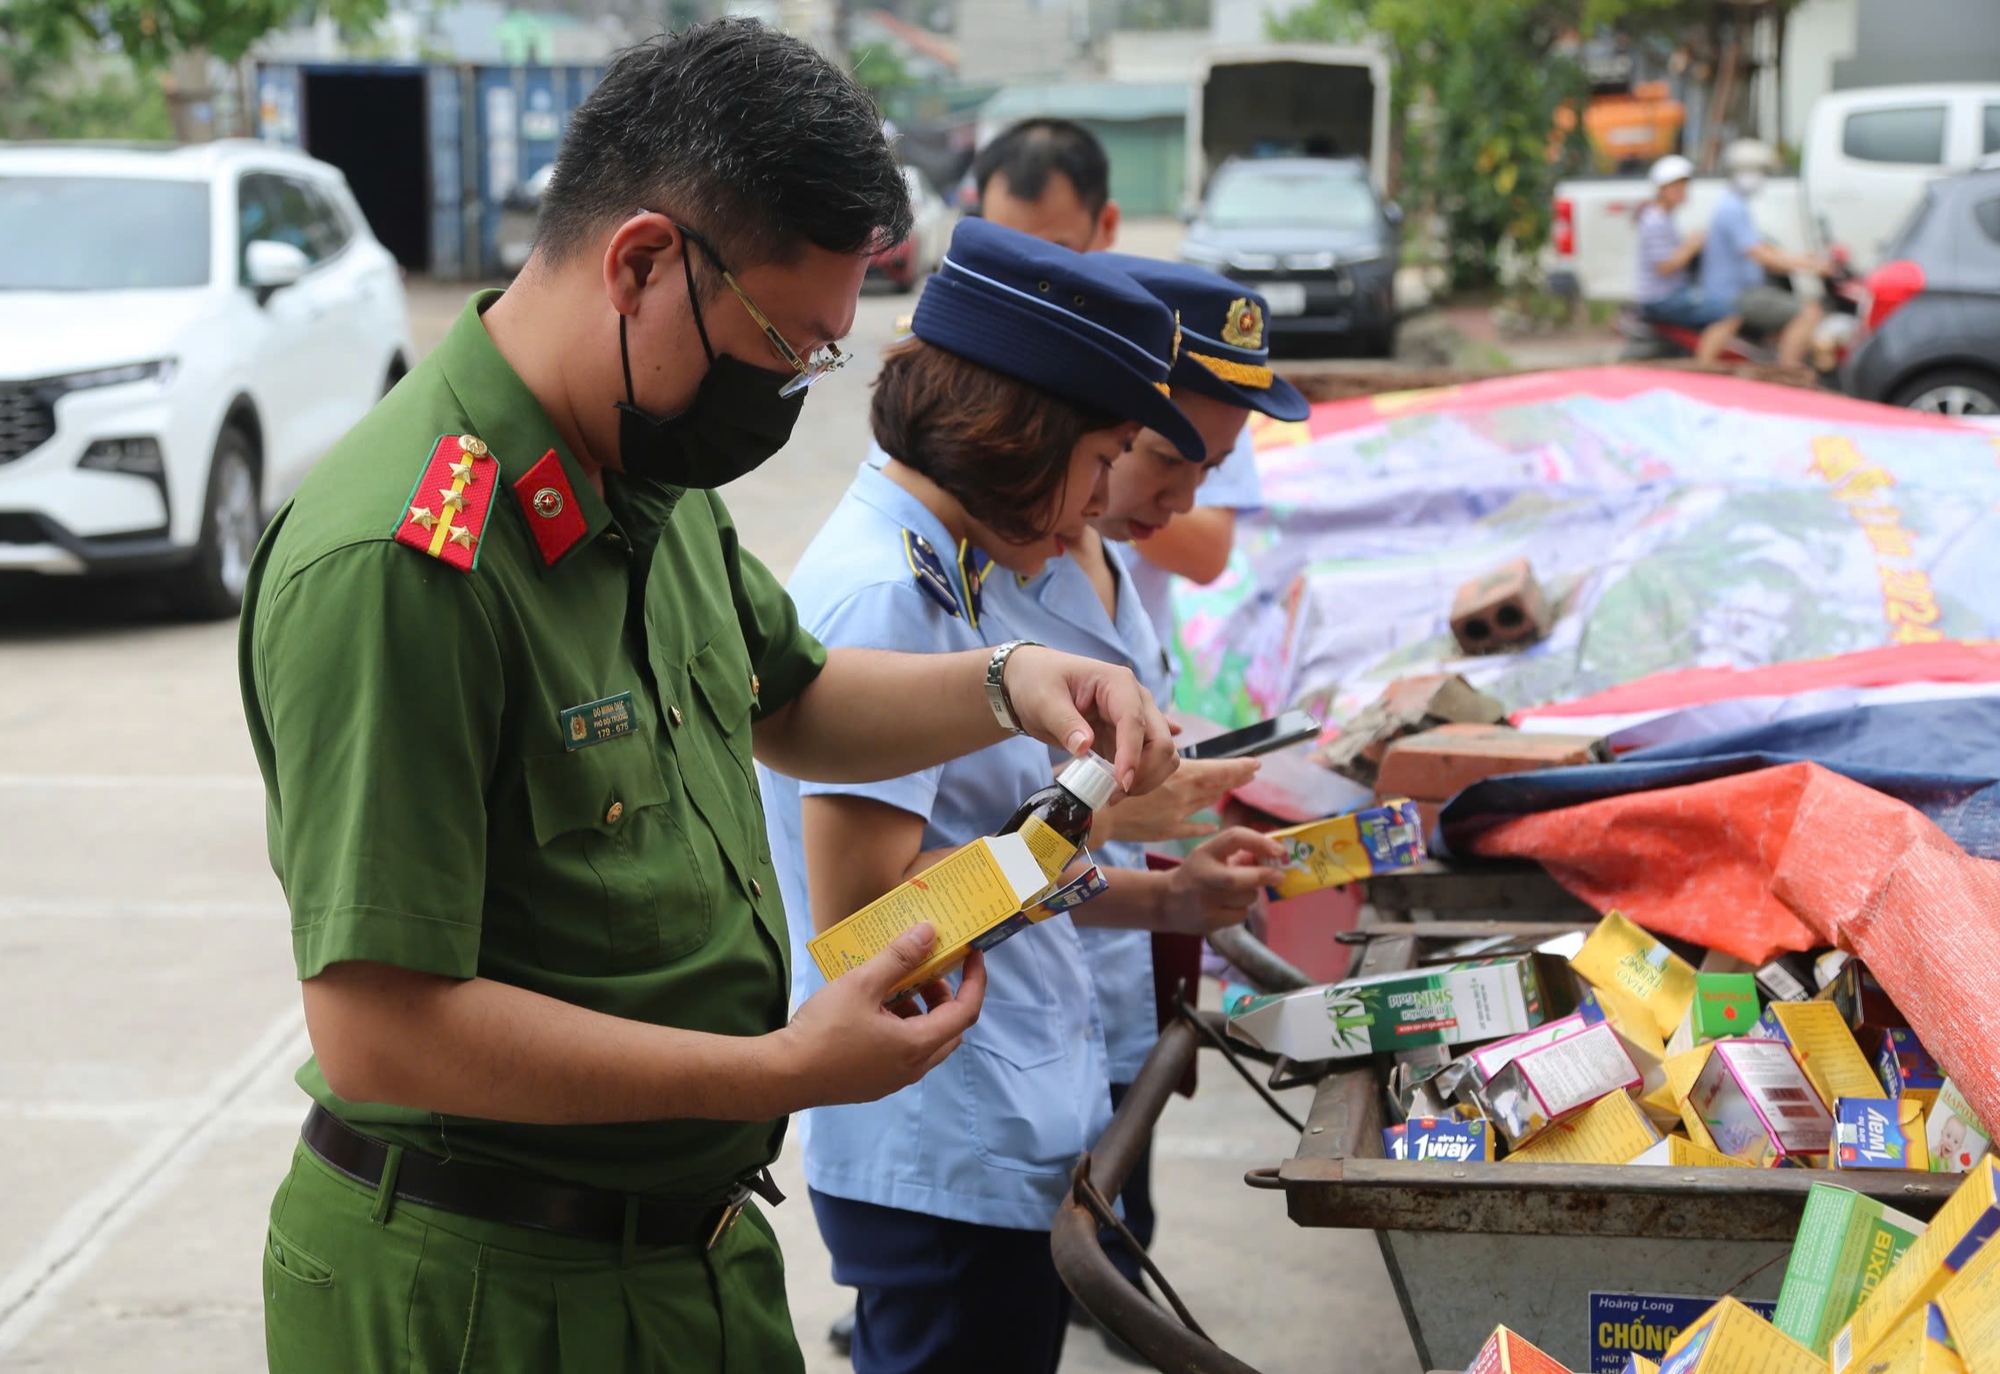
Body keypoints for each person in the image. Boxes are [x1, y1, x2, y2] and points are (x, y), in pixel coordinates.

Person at [238, 25, 1181, 1374]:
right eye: (784, 343)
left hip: (683, 1253)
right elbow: (380, 1028)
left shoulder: (642, 472)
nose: (789, 391)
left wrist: (1012, 680)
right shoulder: (404, 559)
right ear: (640, 264)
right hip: (481, 1289)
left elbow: (792, 699)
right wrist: (780, 1070)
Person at [760, 218, 1291, 1374]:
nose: (1093, 508)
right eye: (1102, 461)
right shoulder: (888, 593)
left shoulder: (951, 575)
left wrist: (1155, 897)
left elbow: (971, 852)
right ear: (1021, 435)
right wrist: (1087, 821)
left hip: (996, 1117)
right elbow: (875, 922)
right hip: (944, 1137)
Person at [977, 259, 1310, 1348]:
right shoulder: (982, 581)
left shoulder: (1098, 557)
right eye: (1164, 459)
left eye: (1210, 468)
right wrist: (1129, 824)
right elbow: (930, 871)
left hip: (1099, 978)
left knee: (1106, 1248)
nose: (1185, 504)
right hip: (1003, 1033)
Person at [974, 116, 1264, 653]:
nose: (1027, 282)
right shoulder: (962, 376)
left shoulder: (1169, 355)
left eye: (1054, 253)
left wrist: (1085, 494)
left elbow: (1208, 554)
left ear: (1105, 225)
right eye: (1001, 251)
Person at [1696, 139, 1834, 368]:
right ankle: (1789, 371)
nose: (1760, 177)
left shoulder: (1735, 204)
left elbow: (1765, 247)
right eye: (1756, 171)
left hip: (1742, 290)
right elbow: (1761, 256)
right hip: (1735, 295)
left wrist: (1806, 259)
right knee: (1810, 312)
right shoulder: (1732, 208)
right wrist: (1811, 266)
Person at [1633, 153, 1740, 359]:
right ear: (1663, 189)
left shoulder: (1663, 217)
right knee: (1729, 314)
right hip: (1662, 299)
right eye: (1678, 188)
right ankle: (1704, 366)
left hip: (1669, 294)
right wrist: (1691, 246)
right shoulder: (1655, 220)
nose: (1683, 193)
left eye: (1684, 187)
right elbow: (1665, 266)